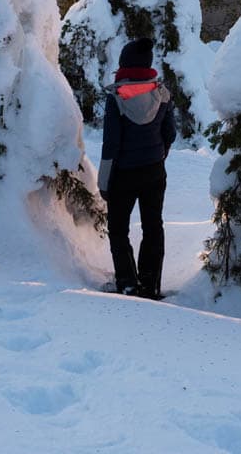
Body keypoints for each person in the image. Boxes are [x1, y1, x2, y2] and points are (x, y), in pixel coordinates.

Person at [97, 37, 176, 298]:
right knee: (153, 226)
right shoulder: (162, 94)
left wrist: (104, 182)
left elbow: (111, 146)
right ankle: (150, 284)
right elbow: (170, 133)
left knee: (119, 229)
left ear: (124, 64)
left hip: (123, 174)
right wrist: (159, 155)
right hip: (154, 171)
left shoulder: (117, 98)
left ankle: (127, 282)